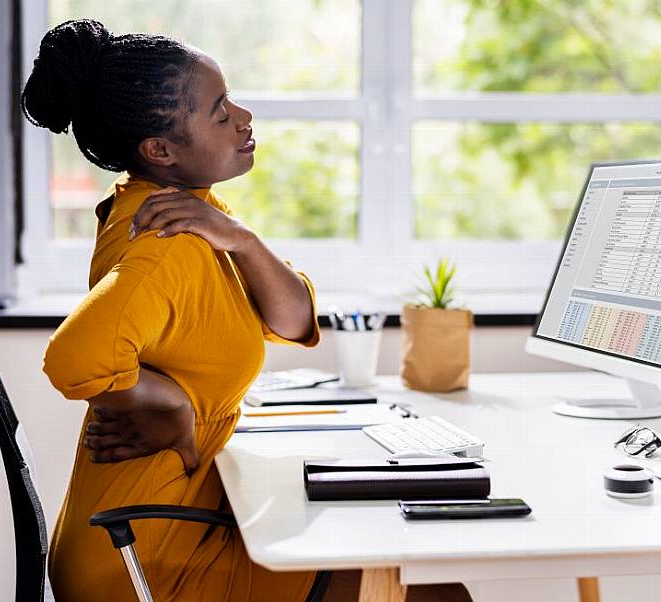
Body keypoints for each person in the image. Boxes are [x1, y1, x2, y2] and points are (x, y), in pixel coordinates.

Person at [25, 19, 470, 602]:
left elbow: (292, 319)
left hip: (158, 527)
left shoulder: (195, 216)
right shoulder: (168, 242)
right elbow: (72, 358)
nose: (244, 116)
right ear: (159, 150)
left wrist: (243, 239)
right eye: (218, 112)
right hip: (145, 561)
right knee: (438, 595)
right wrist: (172, 407)